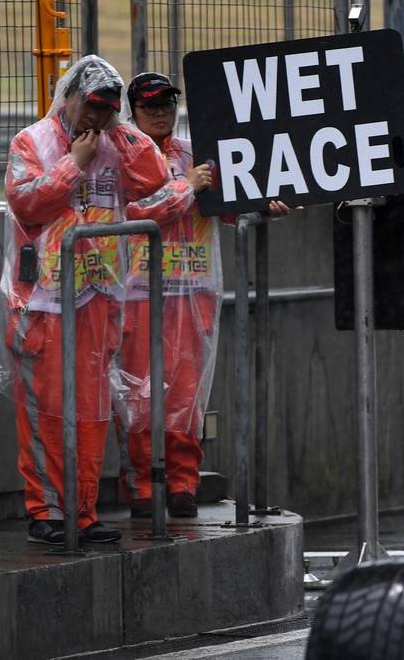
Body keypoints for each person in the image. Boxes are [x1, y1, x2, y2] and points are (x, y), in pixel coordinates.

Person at [0, 56, 173, 544]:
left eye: (107, 109)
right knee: (47, 413)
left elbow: (157, 178)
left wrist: (119, 131)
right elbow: (26, 202)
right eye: (91, 106)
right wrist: (74, 165)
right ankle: (46, 512)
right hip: (42, 304)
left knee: (90, 414)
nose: (96, 117)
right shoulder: (32, 141)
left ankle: (81, 513)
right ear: (67, 97)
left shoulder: (114, 141)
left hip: (98, 300)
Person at [115, 72, 291, 518]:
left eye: (167, 104)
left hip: (194, 289)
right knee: (138, 395)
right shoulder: (122, 153)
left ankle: (182, 485)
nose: (160, 113)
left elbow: (228, 207)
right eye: (150, 106)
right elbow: (131, 212)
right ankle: (142, 485)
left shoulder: (198, 152)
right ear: (133, 111)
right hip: (138, 293)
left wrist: (265, 204)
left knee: (187, 398)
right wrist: (185, 187)